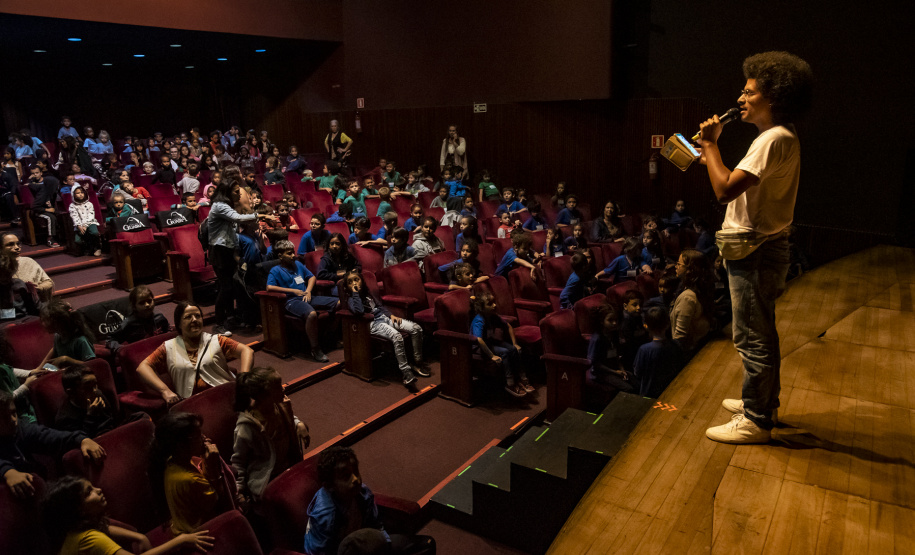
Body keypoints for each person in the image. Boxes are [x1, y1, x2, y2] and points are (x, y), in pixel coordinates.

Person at [698, 52, 812, 444]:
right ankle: (763, 401)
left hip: (755, 249)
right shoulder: (782, 136)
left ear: (773, 97)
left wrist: (711, 146)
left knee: (752, 336)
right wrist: (711, 153)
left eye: (749, 92)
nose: (740, 98)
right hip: (766, 245)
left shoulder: (771, 140)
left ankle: (756, 419)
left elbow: (724, 189)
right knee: (761, 330)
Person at [303, 446, 436, 555]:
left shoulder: (363, 493)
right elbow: (318, 552)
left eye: (356, 471)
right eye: (345, 476)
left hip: (365, 545)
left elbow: (376, 526)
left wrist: (384, 545)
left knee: (427, 545)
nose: (355, 479)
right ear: (329, 486)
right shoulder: (325, 515)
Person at [44, 475, 214, 555]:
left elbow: (108, 529)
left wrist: (140, 537)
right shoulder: (90, 539)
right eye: (89, 492)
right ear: (79, 510)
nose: (99, 490)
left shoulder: (76, 529)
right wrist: (180, 540)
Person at [136, 302, 254, 405]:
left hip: (224, 398)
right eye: (188, 317)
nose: (194, 320)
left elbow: (247, 351)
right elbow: (143, 368)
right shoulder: (168, 347)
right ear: (179, 323)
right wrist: (165, 391)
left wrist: (242, 380)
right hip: (191, 405)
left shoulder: (216, 340)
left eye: (198, 316)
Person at [0, 390, 105, 500]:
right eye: (4, 417)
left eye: (13, 413)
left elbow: (51, 436)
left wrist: (82, 439)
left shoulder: (20, 429)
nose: (13, 420)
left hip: (34, 489)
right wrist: (7, 471)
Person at [232, 367, 310, 510]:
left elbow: (290, 418)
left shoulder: (278, 407)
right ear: (263, 396)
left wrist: (298, 424)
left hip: (288, 467)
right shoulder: (246, 427)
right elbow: (239, 463)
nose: (283, 389)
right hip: (266, 480)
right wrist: (240, 493)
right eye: (278, 388)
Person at [208, 178, 274, 336]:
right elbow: (240, 219)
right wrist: (263, 215)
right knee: (225, 288)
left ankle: (231, 318)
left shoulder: (229, 206)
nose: (240, 194)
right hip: (219, 252)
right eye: (236, 192)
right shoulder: (219, 206)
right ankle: (219, 323)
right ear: (227, 192)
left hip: (228, 250)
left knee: (232, 286)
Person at [153, 412, 235, 536]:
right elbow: (219, 504)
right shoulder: (190, 479)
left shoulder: (172, 462)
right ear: (181, 446)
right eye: (198, 436)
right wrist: (213, 466)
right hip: (203, 532)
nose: (204, 437)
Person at [345, 271, 430, 386]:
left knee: (416, 328)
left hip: (385, 318)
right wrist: (355, 293)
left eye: (356, 280)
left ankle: (417, 362)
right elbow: (359, 311)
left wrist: (391, 316)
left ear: (361, 281)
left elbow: (380, 306)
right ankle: (406, 372)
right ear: (347, 287)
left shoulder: (368, 293)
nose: (354, 283)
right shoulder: (351, 299)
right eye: (350, 282)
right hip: (373, 323)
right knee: (397, 337)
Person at [269, 240, 340, 362]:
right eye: (289, 253)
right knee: (312, 314)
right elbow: (269, 287)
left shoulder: (298, 264)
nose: (293, 255)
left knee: (340, 302)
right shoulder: (275, 270)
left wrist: (308, 290)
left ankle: (329, 337)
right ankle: (315, 348)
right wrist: (292, 291)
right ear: (280, 256)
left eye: (293, 252)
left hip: (307, 297)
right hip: (291, 301)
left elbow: (312, 277)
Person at [470, 291, 531, 398]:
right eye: (490, 304)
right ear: (482, 308)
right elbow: (479, 340)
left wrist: (515, 344)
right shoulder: (478, 320)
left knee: (513, 349)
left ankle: (521, 378)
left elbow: (508, 326)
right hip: (479, 348)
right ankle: (510, 383)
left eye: (494, 302)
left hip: (490, 342)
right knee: (505, 352)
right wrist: (492, 356)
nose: (494, 305)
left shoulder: (493, 316)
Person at [54, 365, 118, 438]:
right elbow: (82, 440)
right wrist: (91, 416)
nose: (95, 390)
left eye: (95, 384)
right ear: (71, 392)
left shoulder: (97, 394)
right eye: (87, 387)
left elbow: (110, 423)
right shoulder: (65, 419)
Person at [633, 306, 684, 398]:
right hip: (673, 391)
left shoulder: (644, 350)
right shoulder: (676, 344)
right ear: (668, 324)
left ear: (646, 326)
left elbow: (637, 372)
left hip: (650, 394)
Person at [671, 249, 714, 354]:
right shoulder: (698, 289)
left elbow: (680, 337)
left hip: (689, 352)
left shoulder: (687, 298)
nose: (675, 266)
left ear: (690, 269)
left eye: (679, 264)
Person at [587, 304, 636, 393]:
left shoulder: (614, 334)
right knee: (628, 388)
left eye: (616, 320)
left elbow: (617, 355)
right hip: (601, 373)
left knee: (634, 381)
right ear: (602, 321)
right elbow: (595, 363)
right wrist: (615, 372)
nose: (614, 323)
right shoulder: (597, 339)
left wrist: (621, 369)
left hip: (614, 368)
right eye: (610, 320)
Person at [38, 299, 96, 369]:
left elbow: (92, 365)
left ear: (58, 323)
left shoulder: (80, 340)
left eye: (45, 320)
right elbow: (54, 350)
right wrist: (39, 368)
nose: (43, 323)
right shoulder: (57, 337)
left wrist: (67, 360)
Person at [0, 232, 54, 301]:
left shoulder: (28, 261)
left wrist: (37, 288)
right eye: (10, 244)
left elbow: (48, 282)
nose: (16, 247)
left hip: (31, 304)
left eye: (18, 244)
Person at [26, 166, 61, 247]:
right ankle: (50, 239)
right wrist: (47, 210)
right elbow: (35, 206)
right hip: (38, 210)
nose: (35, 175)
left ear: (41, 173)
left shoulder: (48, 184)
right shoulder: (34, 186)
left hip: (49, 206)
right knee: (51, 217)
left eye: (37, 173)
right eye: (33, 174)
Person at [68, 185, 102, 257]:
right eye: (77, 193)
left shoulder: (89, 204)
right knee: (78, 240)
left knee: (94, 232)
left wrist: (85, 225)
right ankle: (87, 248)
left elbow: (90, 215)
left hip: (90, 222)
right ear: (73, 195)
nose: (80, 194)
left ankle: (96, 247)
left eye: (82, 192)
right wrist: (79, 225)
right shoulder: (72, 206)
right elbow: (74, 216)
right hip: (79, 225)